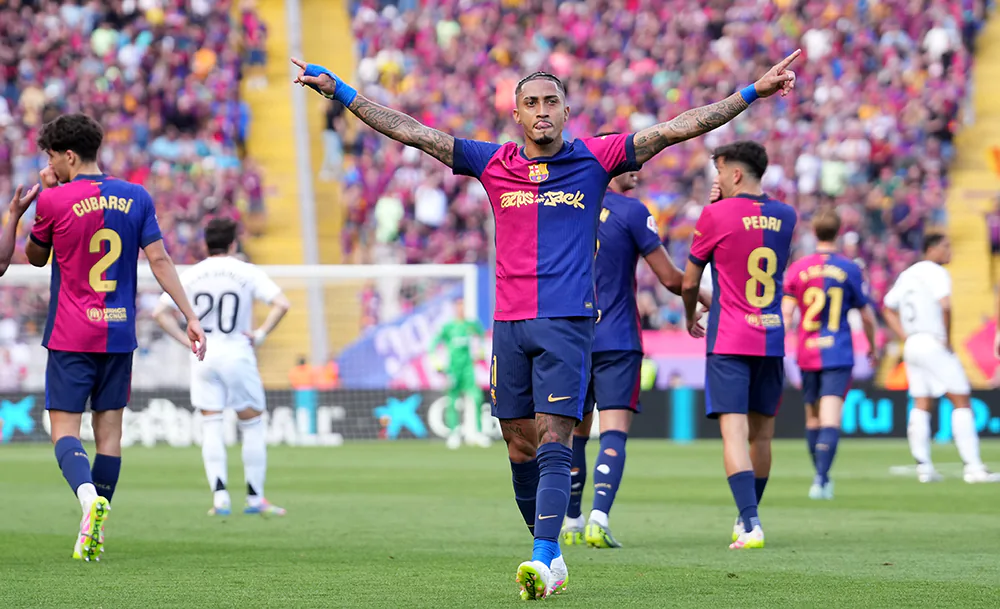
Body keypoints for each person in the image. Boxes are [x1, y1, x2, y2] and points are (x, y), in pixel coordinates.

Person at [293, 51, 799, 598]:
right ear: (516, 114)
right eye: (531, 103)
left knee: (555, 434)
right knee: (518, 444)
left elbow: (679, 127)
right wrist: (343, 93)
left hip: (567, 323)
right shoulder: (492, 161)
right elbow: (413, 132)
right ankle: (551, 552)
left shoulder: (597, 158)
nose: (541, 111)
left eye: (551, 102)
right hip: (509, 324)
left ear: (565, 111)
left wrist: (752, 91)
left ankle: (542, 553)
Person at [2, 113, 206, 561]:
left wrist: (40, 203)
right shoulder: (137, 196)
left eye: (52, 157)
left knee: (64, 432)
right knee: (109, 436)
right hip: (118, 333)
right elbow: (160, 260)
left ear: (69, 156)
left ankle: (87, 500)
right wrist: (189, 315)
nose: (49, 164)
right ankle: (94, 531)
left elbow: (34, 258)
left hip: (70, 334)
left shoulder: (55, 200)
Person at [560, 158, 710, 549]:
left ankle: (571, 521)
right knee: (613, 430)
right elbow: (671, 278)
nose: (637, 171)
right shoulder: (631, 211)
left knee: (575, 432)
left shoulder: (567, 205)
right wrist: (706, 297)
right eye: (630, 164)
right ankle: (598, 519)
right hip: (618, 337)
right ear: (610, 166)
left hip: (572, 337)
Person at [681, 141, 797, 550]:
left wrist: (689, 314)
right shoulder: (787, 215)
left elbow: (690, 281)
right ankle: (748, 517)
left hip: (730, 337)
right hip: (771, 335)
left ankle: (751, 525)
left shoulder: (715, 214)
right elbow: (750, 231)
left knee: (734, 433)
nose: (716, 178)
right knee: (761, 436)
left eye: (719, 171)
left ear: (734, 173)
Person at [153, 217, 292, 514]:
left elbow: (159, 313)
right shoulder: (246, 271)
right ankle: (254, 498)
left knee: (211, 424)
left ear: (206, 245)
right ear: (233, 243)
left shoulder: (192, 274)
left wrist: (187, 341)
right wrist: (260, 334)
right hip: (236, 352)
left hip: (204, 356)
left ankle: (220, 498)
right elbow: (282, 304)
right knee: (251, 423)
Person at [883, 234, 999, 483]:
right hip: (933, 340)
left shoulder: (908, 274)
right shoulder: (936, 272)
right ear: (931, 249)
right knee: (961, 399)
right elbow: (945, 305)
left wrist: (904, 335)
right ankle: (974, 467)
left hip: (913, 343)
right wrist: (946, 338)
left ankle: (924, 468)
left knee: (921, 402)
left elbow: (887, 307)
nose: (950, 252)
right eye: (945, 247)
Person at [782, 208, 878, 501]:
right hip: (838, 351)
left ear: (814, 232)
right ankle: (822, 479)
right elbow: (866, 315)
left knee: (812, 419)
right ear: (838, 232)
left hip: (807, 352)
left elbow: (786, 315)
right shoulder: (850, 269)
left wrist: (779, 345)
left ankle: (820, 477)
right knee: (830, 418)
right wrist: (872, 345)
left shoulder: (797, 269)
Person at [429, 297, 487, 450]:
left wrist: (481, 351)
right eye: (459, 306)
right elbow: (433, 345)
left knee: (476, 397)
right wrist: (437, 363)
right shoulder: (448, 327)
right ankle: (454, 433)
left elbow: (482, 336)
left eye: (463, 306)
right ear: (455, 308)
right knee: (452, 400)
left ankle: (477, 432)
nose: (461, 309)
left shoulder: (471, 325)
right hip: (453, 369)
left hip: (468, 368)